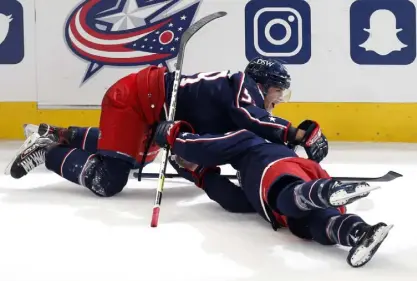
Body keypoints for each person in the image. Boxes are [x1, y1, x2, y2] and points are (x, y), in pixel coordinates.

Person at [7, 57, 325, 198]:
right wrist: (297, 133)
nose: (279, 100)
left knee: (141, 159)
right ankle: (48, 150)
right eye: (278, 92)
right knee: (108, 182)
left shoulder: (239, 98)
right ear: (263, 84)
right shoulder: (243, 87)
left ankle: (55, 133)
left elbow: (216, 140)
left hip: (151, 111)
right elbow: (250, 117)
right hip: (133, 101)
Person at [150, 119, 393, 268]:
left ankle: (320, 193)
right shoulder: (243, 175)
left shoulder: (246, 140)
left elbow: (209, 147)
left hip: (277, 170)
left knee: (287, 195)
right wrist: (200, 174)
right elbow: (236, 201)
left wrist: (176, 139)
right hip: (302, 179)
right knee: (314, 221)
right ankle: (358, 233)